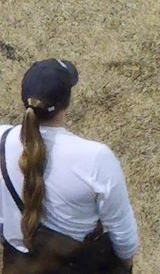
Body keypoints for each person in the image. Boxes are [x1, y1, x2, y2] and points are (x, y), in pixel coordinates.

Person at [1, 59, 139, 272]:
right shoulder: (95, 158)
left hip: (18, 267)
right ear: (67, 103)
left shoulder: (2, 139)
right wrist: (124, 266)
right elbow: (122, 233)